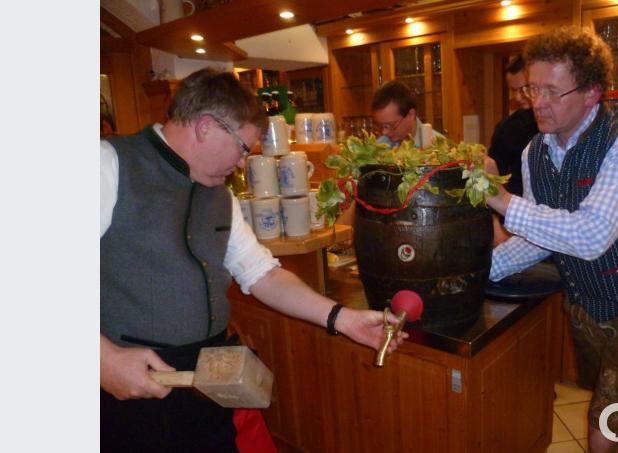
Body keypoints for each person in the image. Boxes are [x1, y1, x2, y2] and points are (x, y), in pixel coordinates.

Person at [100, 68, 406, 452]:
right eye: (243, 148)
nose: (243, 163)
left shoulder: (220, 196)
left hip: (206, 379)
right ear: (206, 127)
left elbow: (263, 275)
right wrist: (102, 359)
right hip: (129, 385)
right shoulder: (109, 164)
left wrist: (343, 319)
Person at [484, 27, 618, 453]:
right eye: (533, 88)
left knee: (601, 429)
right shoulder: (534, 151)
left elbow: (591, 236)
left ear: (592, 92)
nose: (537, 102)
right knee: (610, 402)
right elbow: (542, 237)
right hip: (585, 303)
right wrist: (481, 270)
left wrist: (501, 200)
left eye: (552, 92)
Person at [487, 54, 540, 246]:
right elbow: (491, 180)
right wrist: (496, 226)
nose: (518, 97)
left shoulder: (556, 126)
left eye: (524, 89)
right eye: (513, 90)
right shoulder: (507, 129)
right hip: (511, 223)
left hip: (547, 223)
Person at [371, 80, 444, 148]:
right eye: (380, 126)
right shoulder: (381, 146)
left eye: (390, 125)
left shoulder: (439, 147)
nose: (384, 132)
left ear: (411, 114)